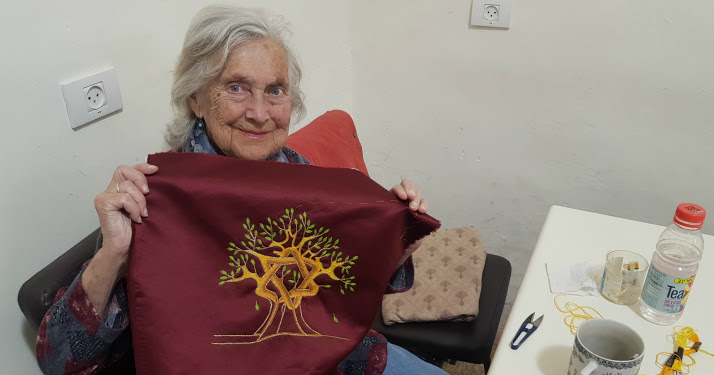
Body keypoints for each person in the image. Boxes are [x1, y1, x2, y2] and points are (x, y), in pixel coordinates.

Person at [36, 5, 447, 375]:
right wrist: (114, 255)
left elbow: (346, 288)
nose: (259, 113)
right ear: (196, 98)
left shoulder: (297, 171)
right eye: (236, 87)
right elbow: (59, 363)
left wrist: (395, 239)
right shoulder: (155, 200)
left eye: (275, 91)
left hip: (334, 356)